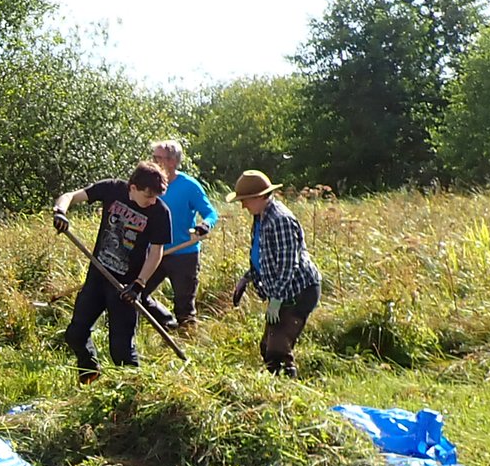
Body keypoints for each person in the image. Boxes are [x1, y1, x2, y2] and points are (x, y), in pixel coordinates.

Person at [52, 161, 173, 381]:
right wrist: (60, 212)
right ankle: (90, 374)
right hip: (98, 277)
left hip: (125, 289)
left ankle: (133, 392)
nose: (151, 201)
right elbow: (69, 196)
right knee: (76, 333)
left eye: (156, 197)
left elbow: (156, 253)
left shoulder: (159, 212)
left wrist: (139, 284)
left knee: (122, 353)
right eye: (148, 196)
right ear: (133, 187)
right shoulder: (112, 189)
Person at [229, 169, 322, 375]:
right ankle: (277, 384)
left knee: (277, 350)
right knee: (267, 348)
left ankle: (286, 392)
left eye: (246, 200)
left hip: (299, 291)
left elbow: (288, 264)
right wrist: (247, 278)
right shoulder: (260, 216)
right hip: (282, 291)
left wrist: (277, 299)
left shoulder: (280, 220)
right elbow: (264, 256)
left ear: (261, 196)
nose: (243, 205)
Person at [143, 139, 218, 329]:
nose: (155, 161)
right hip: (154, 253)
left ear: (173, 161)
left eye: (159, 158)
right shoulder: (147, 184)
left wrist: (205, 225)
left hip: (184, 254)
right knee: (138, 294)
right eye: (154, 157)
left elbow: (210, 213)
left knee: (184, 308)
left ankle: (187, 344)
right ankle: (168, 324)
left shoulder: (189, 186)